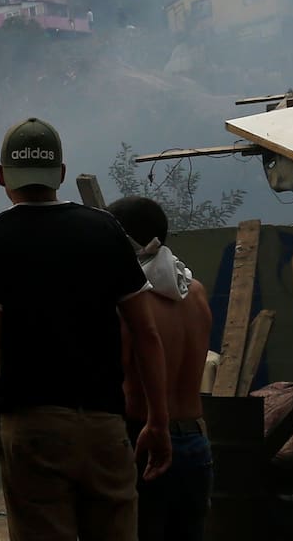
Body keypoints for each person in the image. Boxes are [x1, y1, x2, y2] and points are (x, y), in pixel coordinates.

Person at [0, 117, 173, 541]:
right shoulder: (106, 229)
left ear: (2, 176)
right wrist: (159, 423)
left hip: (30, 428)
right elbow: (147, 334)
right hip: (103, 427)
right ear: (60, 173)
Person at [108, 196, 214, 541]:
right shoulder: (195, 292)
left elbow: (113, 377)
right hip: (195, 441)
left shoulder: (131, 304)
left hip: (145, 439)